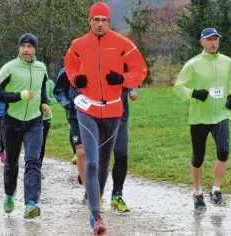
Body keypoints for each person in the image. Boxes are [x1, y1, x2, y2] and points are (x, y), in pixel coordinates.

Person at [64, 2, 147, 234]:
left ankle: (96, 206)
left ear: (109, 22)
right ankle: (96, 216)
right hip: (87, 109)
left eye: (104, 20)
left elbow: (140, 71)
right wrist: (75, 78)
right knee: (91, 161)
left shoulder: (123, 44)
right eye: (95, 20)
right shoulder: (78, 45)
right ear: (89, 21)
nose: (99, 24)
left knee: (102, 163)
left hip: (113, 110)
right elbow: (69, 67)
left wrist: (122, 79)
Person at [173, 28, 231, 211]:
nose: (213, 42)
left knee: (223, 152)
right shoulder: (193, 64)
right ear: (202, 42)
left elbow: (230, 82)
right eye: (209, 39)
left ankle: (216, 190)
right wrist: (193, 93)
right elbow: (178, 87)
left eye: (216, 39)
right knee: (198, 157)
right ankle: (198, 193)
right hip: (199, 117)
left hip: (221, 115)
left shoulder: (227, 62)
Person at [0, 33, 50, 219]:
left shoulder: (41, 68)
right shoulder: (9, 68)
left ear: (35, 49)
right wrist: (19, 96)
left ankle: (31, 203)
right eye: (23, 46)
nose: (26, 50)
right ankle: (9, 194)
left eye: (30, 46)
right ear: (18, 48)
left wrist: (44, 103)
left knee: (33, 161)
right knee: (12, 162)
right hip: (12, 121)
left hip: (34, 121)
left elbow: (42, 90)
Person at [53, 68, 87, 203]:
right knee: (80, 151)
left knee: (93, 151)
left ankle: (92, 182)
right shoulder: (67, 70)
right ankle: (88, 191)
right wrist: (65, 103)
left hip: (94, 113)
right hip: (74, 114)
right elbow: (58, 90)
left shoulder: (96, 63)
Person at [109, 87, 137, 213]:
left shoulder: (124, 67)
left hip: (121, 116)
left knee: (121, 154)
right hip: (99, 116)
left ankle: (117, 194)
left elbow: (132, 76)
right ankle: (94, 195)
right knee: (98, 158)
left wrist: (134, 90)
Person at [39, 75, 57, 179]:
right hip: (33, 117)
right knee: (33, 144)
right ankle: (32, 167)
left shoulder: (50, 83)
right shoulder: (32, 81)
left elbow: (56, 97)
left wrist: (48, 100)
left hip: (46, 117)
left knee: (42, 143)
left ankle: (39, 167)